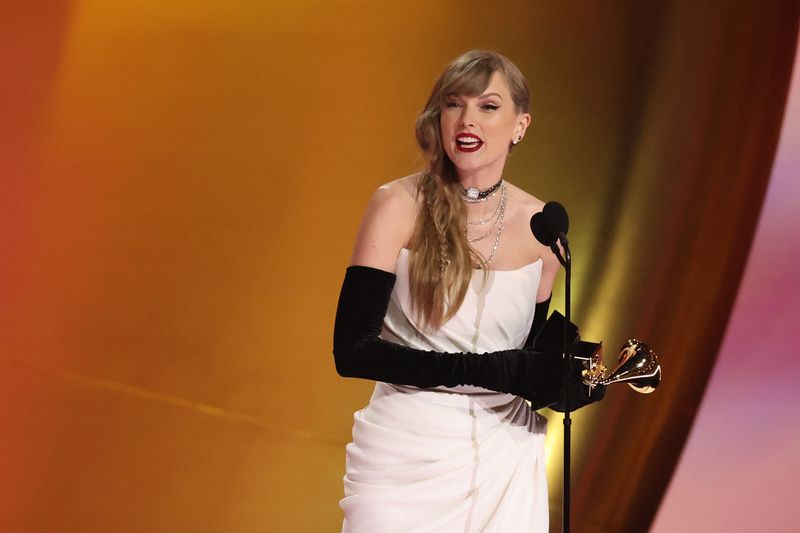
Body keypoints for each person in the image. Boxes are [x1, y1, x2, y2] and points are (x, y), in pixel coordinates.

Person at [333, 50, 602, 533]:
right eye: (454, 104)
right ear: (438, 118)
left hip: (505, 454)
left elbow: (524, 359)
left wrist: (564, 380)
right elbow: (352, 352)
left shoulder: (543, 229)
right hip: (405, 455)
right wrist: (490, 370)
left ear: (520, 125)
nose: (467, 119)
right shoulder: (397, 204)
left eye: (488, 106)